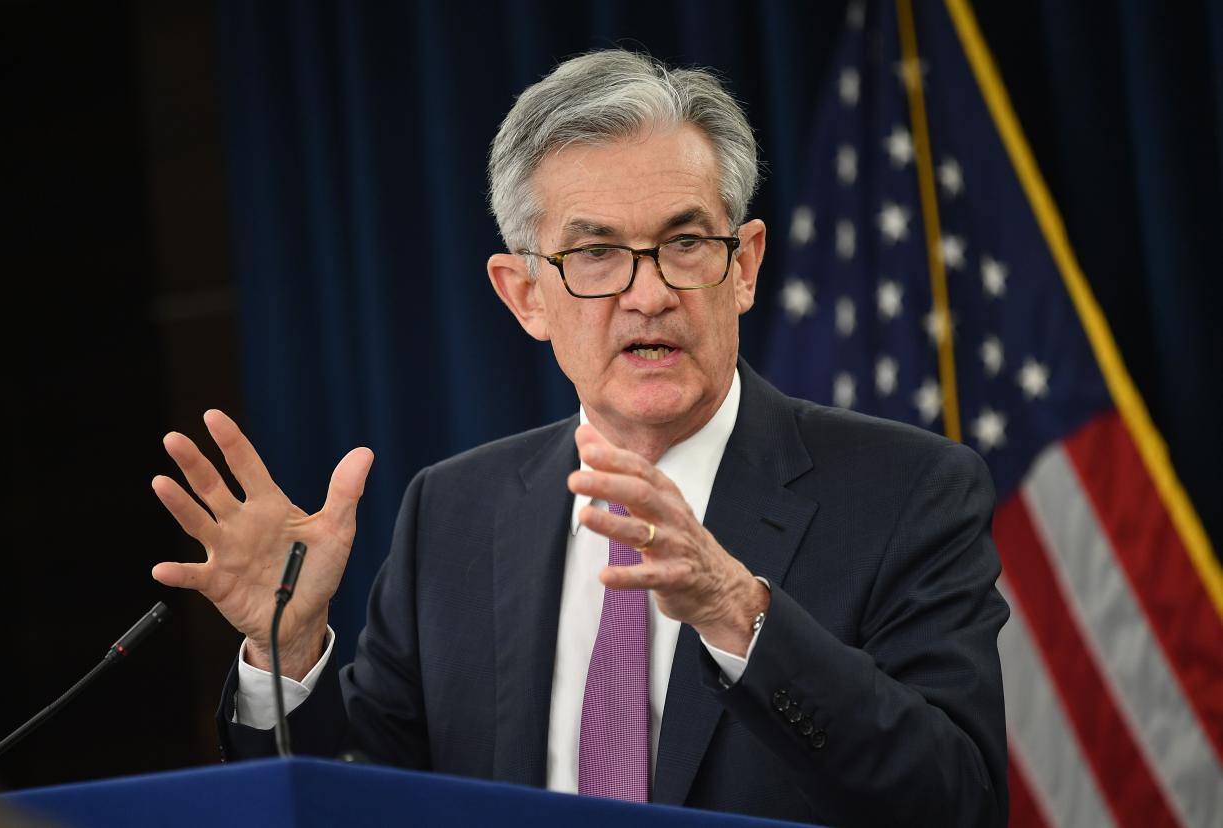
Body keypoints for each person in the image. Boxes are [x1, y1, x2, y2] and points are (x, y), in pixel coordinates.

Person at [151, 50, 1009, 826]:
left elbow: (958, 802)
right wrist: (288, 648)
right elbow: (354, 807)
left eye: (683, 243)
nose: (649, 294)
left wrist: (737, 614)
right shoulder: (451, 514)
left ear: (743, 266)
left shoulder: (907, 492)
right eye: (595, 253)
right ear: (524, 294)